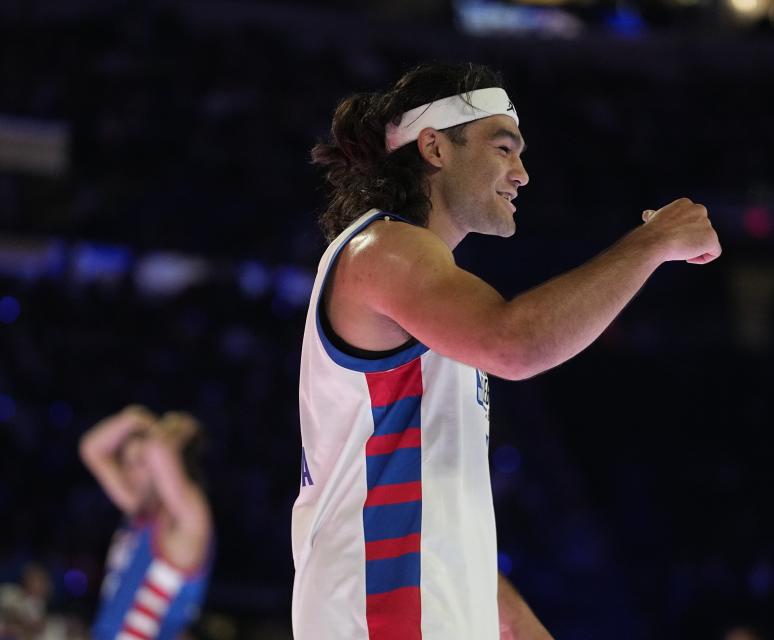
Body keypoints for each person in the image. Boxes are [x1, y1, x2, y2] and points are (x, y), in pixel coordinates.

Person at [293, 62, 721, 640]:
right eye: (503, 148)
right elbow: (514, 345)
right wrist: (654, 242)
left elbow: (439, 507)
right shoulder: (385, 248)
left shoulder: (429, 285)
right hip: (381, 614)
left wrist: (516, 623)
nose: (521, 173)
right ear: (435, 148)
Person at [79, 406, 214, 640]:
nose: (131, 474)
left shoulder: (189, 517)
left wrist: (177, 430)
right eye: (126, 463)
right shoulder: (140, 510)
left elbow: (157, 450)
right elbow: (92, 449)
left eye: (139, 463)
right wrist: (131, 419)